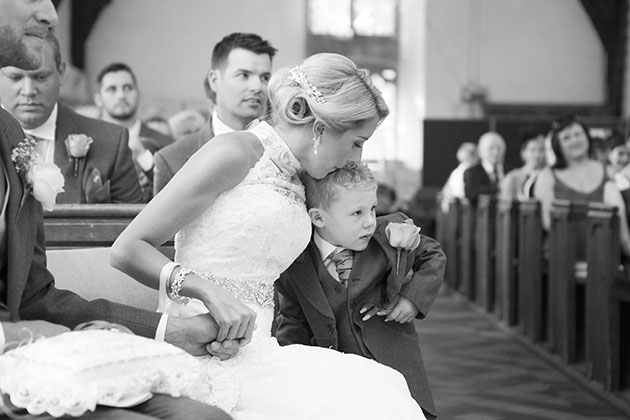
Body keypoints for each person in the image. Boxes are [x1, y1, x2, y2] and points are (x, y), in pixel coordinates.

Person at [111, 53, 426, 419]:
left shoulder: (300, 177)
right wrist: (206, 290)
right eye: (357, 141)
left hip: (259, 346)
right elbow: (126, 249)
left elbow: (353, 223)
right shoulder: (234, 151)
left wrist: (398, 235)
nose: (359, 156)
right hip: (201, 343)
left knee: (380, 392)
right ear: (321, 127)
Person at [0, 1, 231, 419]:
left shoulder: (9, 132)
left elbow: (34, 295)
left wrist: (168, 330)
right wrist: (27, 336)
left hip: (31, 355)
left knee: (206, 416)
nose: (52, 15)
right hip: (14, 357)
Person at [273, 162, 445, 419]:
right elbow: (292, 319)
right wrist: (294, 371)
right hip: (340, 378)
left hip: (396, 365)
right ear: (318, 217)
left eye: (373, 209)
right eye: (357, 213)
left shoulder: (388, 232)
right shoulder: (295, 264)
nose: (369, 222)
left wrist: (412, 299)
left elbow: (433, 255)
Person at [0, 32, 143, 204]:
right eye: (16, 77)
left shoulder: (111, 142)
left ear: (60, 73)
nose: (28, 90)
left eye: (40, 77)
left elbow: (132, 225)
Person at [153, 33, 276, 195]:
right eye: (244, 75)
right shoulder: (172, 159)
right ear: (214, 80)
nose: (257, 86)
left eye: (265, 77)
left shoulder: (281, 149)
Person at [534, 114, 630, 256]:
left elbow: (620, 220)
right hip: (560, 258)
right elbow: (549, 223)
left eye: (578, 134)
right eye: (566, 138)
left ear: (587, 137)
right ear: (557, 145)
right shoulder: (547, 176)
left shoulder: (608, 172)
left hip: (601, 257)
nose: (574, 140)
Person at [94, 62, 174, 202]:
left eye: (128, 88)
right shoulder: (89, 141)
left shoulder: (166, 143)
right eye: (112, 89)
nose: (121, 96)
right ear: (98, 99)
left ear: (138, 94)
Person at [500, 130, 546, 200]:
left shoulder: (547, 177)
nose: (537, 155)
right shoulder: (512, 178)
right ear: (524, 152)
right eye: (533, 150)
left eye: (541, 150)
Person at [463, 132, 506, 204]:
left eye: (499, 148)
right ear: (482, 150)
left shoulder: (507, 171)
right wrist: (497, 188)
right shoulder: (471, 172)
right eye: (491, 148)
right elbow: (470, 193)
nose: (496, 152)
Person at [440, 141, 477, 212]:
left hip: (462, 206)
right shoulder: (461, 171)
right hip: (462, 207)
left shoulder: (457, 170)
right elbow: (447, 190)